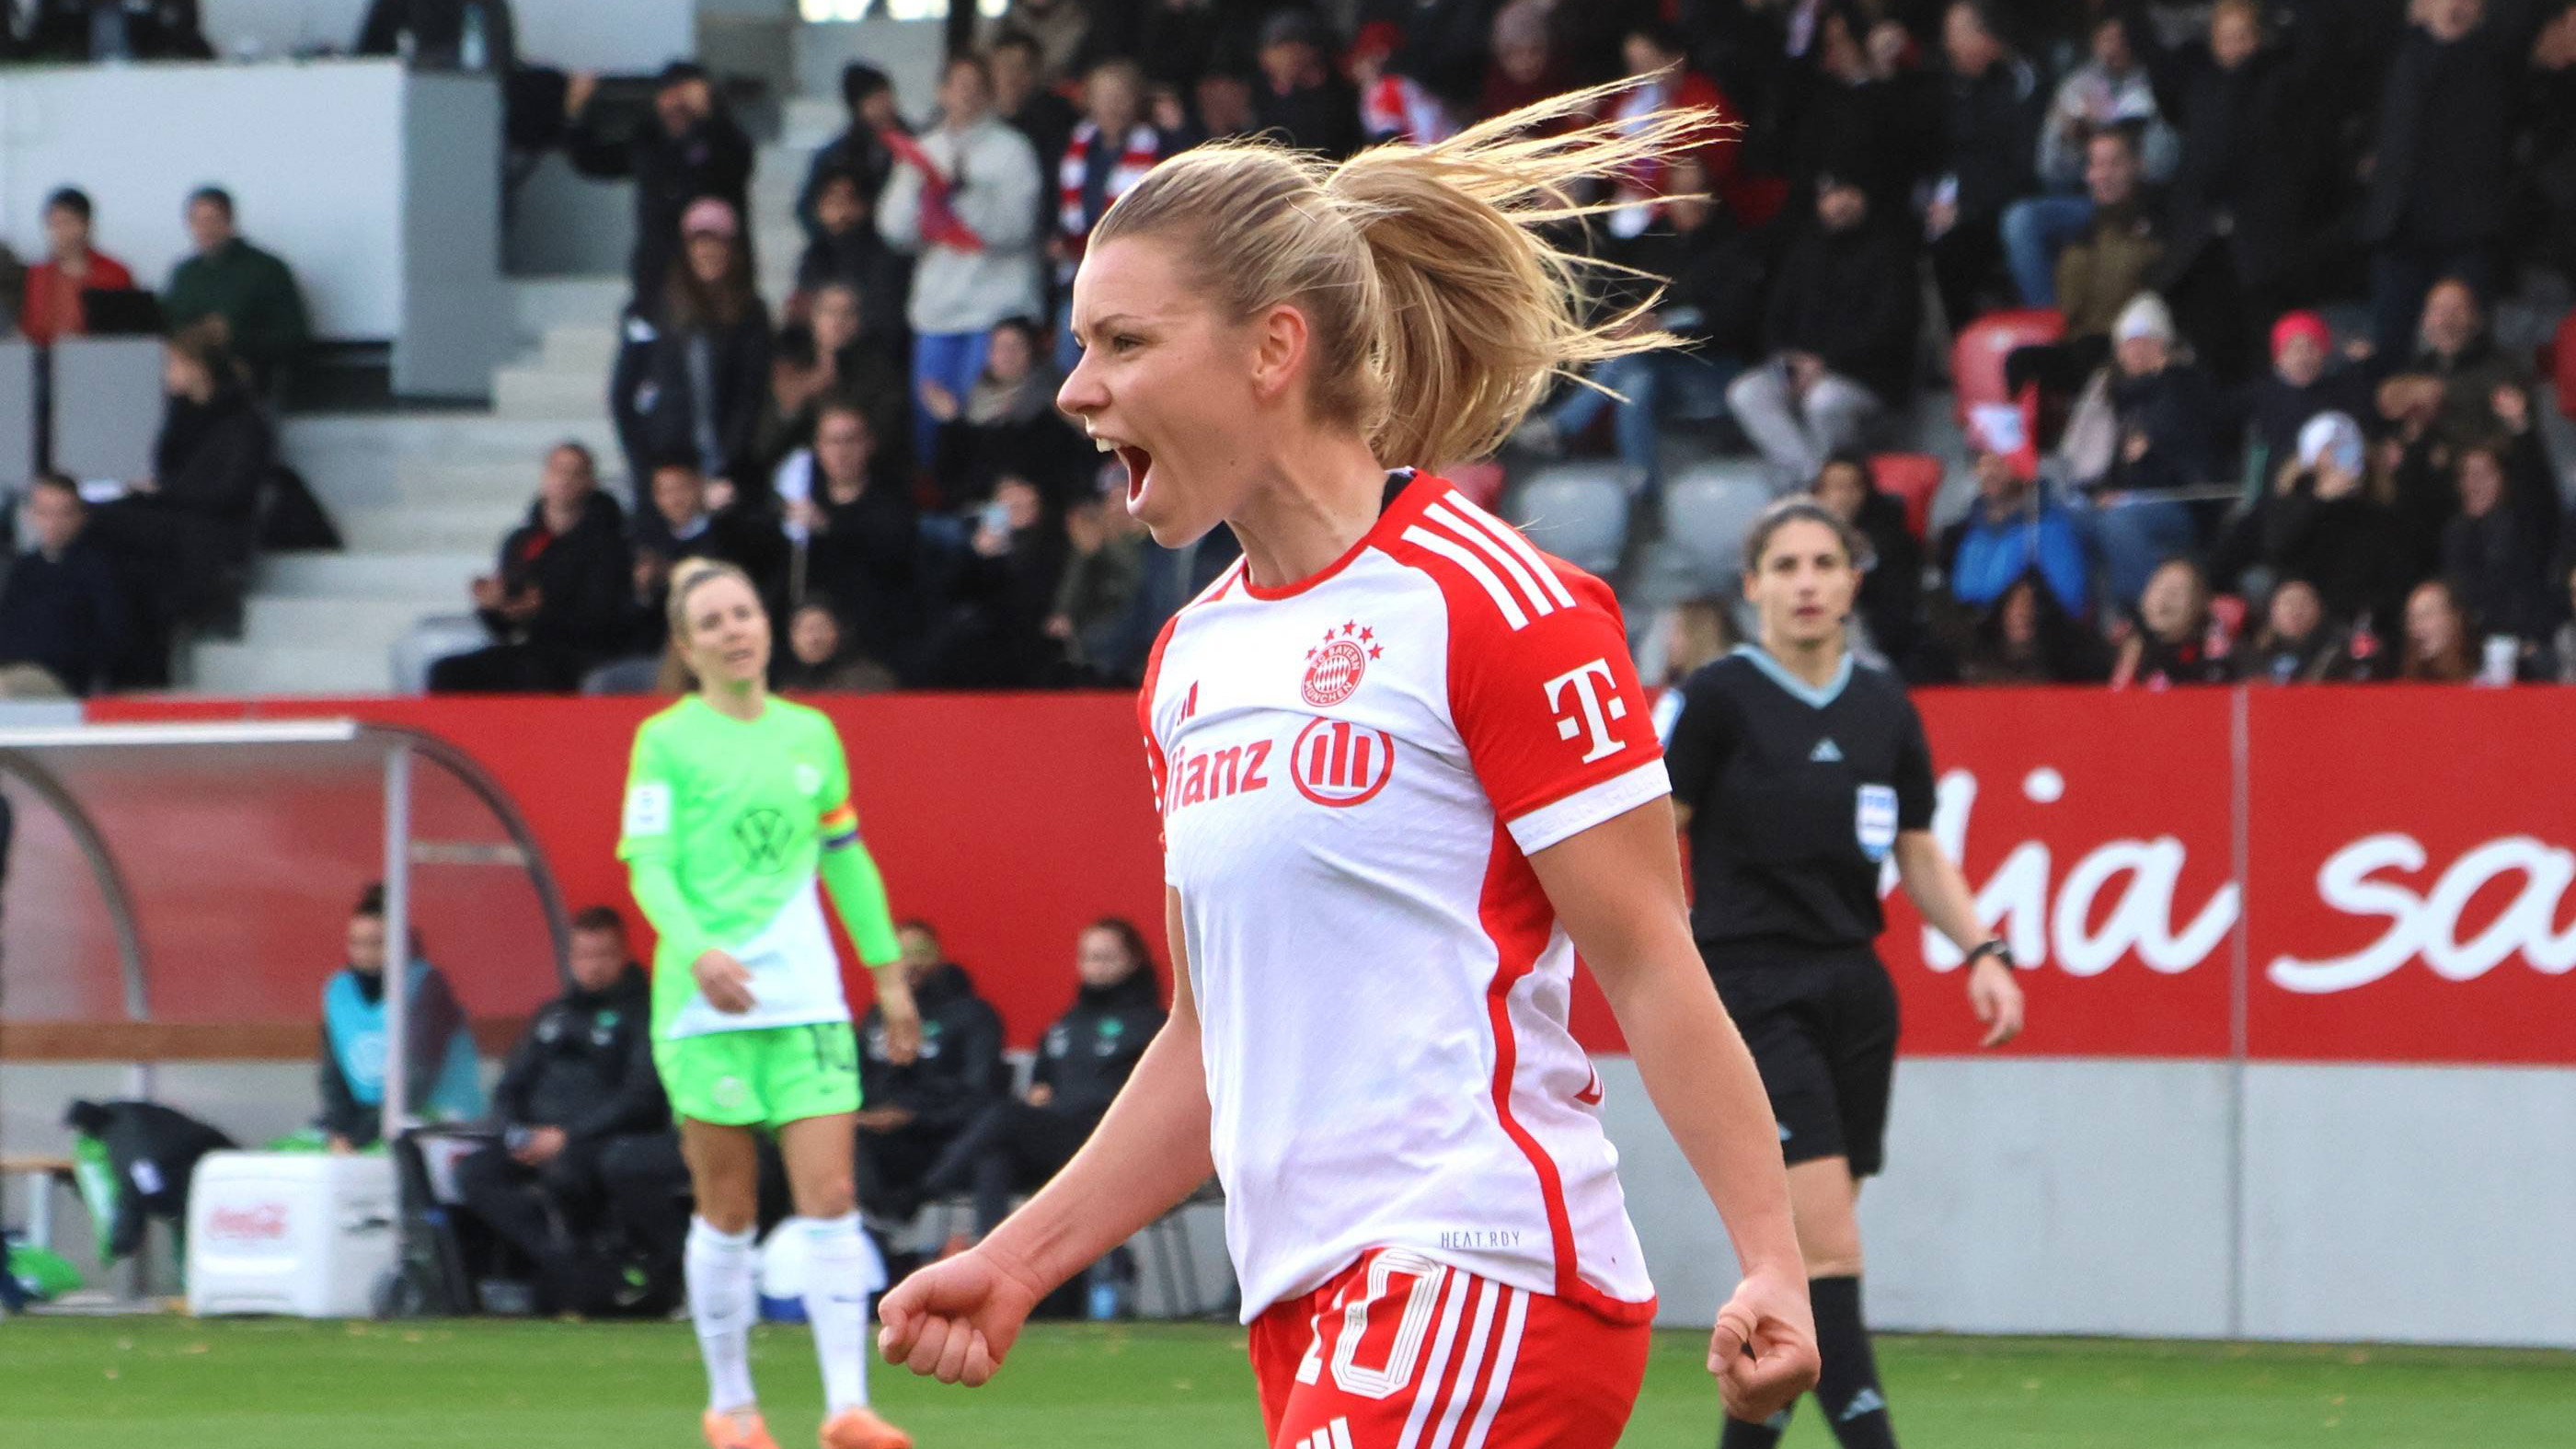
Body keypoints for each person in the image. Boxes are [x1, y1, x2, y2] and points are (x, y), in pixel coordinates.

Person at [878, 84, 1823, 1445]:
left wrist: (1770, 1253)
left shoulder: (1495, 606)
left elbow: (1651, 959)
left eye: (1124, 342)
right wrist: (1022, 1258)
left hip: (1483, 1269)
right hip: (1309, 1304)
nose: (1077, 389)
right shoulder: (1188, 660)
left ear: (1274, 346)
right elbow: (1212, 1044)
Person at [1664, 498, 2026, 1449]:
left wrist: (1982, 952)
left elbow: (1916, 849)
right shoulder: (1719, 698)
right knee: (1827, 1254)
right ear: (1752, 588)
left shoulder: (1880, 704)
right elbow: (1658, 835)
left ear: (1852, 580)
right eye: (1784, 566)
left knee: (1802, 1272)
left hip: (1855, 996)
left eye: (1824, 562)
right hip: (1751, 994)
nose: (1807, 581)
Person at [617, 557, 922, 1449]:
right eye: (711, 622)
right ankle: (733, 1406)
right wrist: (697, 950)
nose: (734, 630)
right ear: (686, 646)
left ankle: (845, 1408)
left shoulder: (812, 734)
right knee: (730, 1210)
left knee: (831, 1193)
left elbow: (847, 857)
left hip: (809, 1004)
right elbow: (649, 866)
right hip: (703, 1010)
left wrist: (888, 973)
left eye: (744, 612)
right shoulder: (665, 742)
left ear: (767, 623)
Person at [1511, 155, 1765, 495]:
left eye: (1694, 193)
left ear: (1711, 196)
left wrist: (1662, 333)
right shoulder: (1654, 240)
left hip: (1715, 370)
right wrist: (1635, 325)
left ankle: (1562, 427)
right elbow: (1626, 299)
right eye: (1678, 193)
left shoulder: (1734, 246)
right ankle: (1642, 484)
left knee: (1644, 350)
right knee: (1636, 380)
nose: (1686, 203)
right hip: (1656, 368)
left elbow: (1732, 327)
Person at [451, 907, 663, 1310]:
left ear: (623, 955)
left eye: (604, 955)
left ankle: (594, 1272)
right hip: (534, 1138)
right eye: (585, 956)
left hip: (601, 1142)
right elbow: (510, 1085)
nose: (594, 966)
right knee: (475, 1173)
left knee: (571, 1173)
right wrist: (514, 1130)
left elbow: (641, 1098)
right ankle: (560, 1261)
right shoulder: (552, 1016)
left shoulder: (643, 1015)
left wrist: (568, 1136)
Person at [919, 918, 1166, 1241]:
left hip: (1109, 1141)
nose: (1095, 967)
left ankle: (925, 1188)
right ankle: (995, 1259)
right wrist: (1039, 1094)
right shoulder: (1065, 1023)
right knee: (994, 1157)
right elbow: (1042, 1080)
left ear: (1134, 961)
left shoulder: (1154, 1024)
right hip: (1060, 1138)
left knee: (1004, 1116)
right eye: (1088, 958)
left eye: (1106, 958)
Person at [880, 54, 1047, 468]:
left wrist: (963, 194)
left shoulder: (1014, 150)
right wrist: (925, 191)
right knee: (930, 424)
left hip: (995, 309)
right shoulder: (923, 150)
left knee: (986, 421)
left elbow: (1016, 227)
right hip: (937, 311)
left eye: (977, 86)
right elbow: (894, 230)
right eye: (958, 84)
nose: (966, 94)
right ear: (942, 91)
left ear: (990, 94)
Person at [1727, 173, 1916, 488]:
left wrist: (1827, 363)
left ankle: (1834, 485)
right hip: (1803, 370)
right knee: (1745, 392)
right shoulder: (1805, 251)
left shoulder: (1889, 251)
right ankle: (1813, 479)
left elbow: (1889, 329)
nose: (1839, 203)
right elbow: (1775, 318)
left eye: (1849, 192)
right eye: (1830, 195)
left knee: (1823, 400)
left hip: (1865, 375)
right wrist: (1789, 360)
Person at [2361, 0, 2514, 362]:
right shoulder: (2398, 50)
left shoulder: (2495, 55)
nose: (2452, 5)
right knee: (2391, 347)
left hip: (2467, 228)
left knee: (2467, 350)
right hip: (2400, 224)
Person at [429, 443, 635, 694]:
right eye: (558, 471)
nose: (565, 480)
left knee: (538, 674)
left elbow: (605, 618)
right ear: (545, 477)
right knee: (447, 672)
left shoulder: (611, 544)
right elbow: (503, 628)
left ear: (589, 482)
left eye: (575, 473)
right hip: (533, 648)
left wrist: (542, 609)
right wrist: (494, 606)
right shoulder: (521, 541)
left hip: (584, 653)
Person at [2005, 11, 2178, 307]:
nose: (2113, 48)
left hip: (2145, 202)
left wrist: (2121, 144)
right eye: (2105, 39)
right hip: (2089, 201)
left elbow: (2164, 166)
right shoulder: (2077, 85)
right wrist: (2071, 139)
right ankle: (2051, 318)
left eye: (2120, 38)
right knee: (2021, 218)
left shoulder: (2157, 82)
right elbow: (2048, 171)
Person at [2061, 293, 2221, 610]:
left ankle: (2145, 613)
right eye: (2126, 343)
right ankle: (2074, 614)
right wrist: (2103, 491)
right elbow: (2096, 461)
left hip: (2180, 502)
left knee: (2118, 521)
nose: (2133, 351)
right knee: (2068, 516)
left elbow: (2184, 449)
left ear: (2163, 344)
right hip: (2124, 500)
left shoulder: (2185, 384)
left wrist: (2167, 382)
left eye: (2143, 341)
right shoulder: (2112, 393)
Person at [611, 199, 773, 499]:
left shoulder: (750, 314)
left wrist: (729, 462)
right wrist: (643, 462)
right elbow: (623, 392)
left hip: (727, 465)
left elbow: (751, 393)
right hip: (667, 460)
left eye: (718, 244)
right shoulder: (652, 311)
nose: (708, 253)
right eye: (700, 243)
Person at [853, 922, 1006, 1226]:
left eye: (919, 953)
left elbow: (981, 1098)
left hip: (943, 1143)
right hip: (880, 1139)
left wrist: (913, 1115)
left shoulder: (973, 1015)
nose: (908, 962)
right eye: (899, 954)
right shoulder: (875, 1018)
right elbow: (858, 1083)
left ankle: (890, 1221)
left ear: (938, 958)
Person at [569, 61, 755, 305]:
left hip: (715, 283)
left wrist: (711, 116)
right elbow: (593, 161)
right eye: (669, 95)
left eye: (685, 96)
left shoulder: (720, 142)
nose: (676, 104)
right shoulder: (648, 144)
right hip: (656, 280)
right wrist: (575, 113)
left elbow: (737, 162)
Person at [317, 883, 485, 1152]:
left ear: (399, 941)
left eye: (377, 944)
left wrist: (360, 1136)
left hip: (434, 1117)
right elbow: (332, 1074)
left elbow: (418, 1080)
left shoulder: (426, 987)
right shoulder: (339, 993)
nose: (365, 955)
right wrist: (340, 1130)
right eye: (356, 943)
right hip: (363, 1122)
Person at [1050, 59, 1174, 374]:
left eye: (1121, 96)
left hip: (1134, 277)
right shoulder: (1077, 144)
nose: (1112, 106)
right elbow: (1060, 206)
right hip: (1078, 271)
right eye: (1104, 96)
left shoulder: (1158, 146)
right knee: (1069, 356)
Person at [1923, 0, 2041, 327]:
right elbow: (1945, 154)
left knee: (1953, 249)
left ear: (1985, 37)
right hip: (1950, 205)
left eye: (1955, 35)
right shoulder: (1954, 85)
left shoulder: (2021, 82)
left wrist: (1967, 207)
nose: (1948, 45)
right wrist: (1938, 199)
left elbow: (2022, 172)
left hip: (1995, 210)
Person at [779, 399, 921, 671]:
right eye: (832, 441)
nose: (842, 451)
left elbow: (890, 554)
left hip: (875, 647)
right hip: (808, 649)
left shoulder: (892, 501)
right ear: (818, 448)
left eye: (850, 440)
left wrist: (828, 530)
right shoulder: (804, 501)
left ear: (869, 444)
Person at [925, 316, 1087, 509]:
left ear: (1031, 352)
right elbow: (950, 481)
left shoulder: (1050, 406)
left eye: (1016, 347)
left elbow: (1069, 476)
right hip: (976, 514)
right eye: (1000, 347)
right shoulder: (971, 404)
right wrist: (950, 423)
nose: (1007, 355)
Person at [754, 281, 905, 483]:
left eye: (847, 313)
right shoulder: (791, 364)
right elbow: (764, 446)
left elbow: (886, 437)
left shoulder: (879, 369)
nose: (837, 321)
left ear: (858, 322)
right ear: (814, 318)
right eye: (829, 312)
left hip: (861, 482)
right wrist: (793, 405)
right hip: (797, 481)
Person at [161, 188, 310, 388]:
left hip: (247, 378)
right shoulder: (185, 273)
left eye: (213, 220)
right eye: (197, 221)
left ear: (230, 221)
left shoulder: (267, 269)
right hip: (185, 376)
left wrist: (234, 337)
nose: (205, 229)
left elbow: (293, 336)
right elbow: (166, 325)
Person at [0, 474, 128, 697]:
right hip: (13, 671)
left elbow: (111, 636)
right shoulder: (22, 570)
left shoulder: (97, 570)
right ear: (31, 515)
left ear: (80, 517)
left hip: (60, 681)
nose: (53, 522)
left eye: (63, 513)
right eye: (44, 512)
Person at [1938, 447, 2088, 619]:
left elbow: (2069, 604)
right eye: (1982, 462)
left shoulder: (2050, 528)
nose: (1989, 471)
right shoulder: (1970, 531)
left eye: (2000, 461)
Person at [791, 172, 913, 366]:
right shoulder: (815, 255)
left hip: (876, 364)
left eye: (849, 199)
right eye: (831, 199)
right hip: (820, 360)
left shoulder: (887, 258)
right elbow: (800, 317)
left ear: (867, 206)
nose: (840, 209)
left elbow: (887, 324)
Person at [1810, 451, 1920, 664]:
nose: (1844, 496)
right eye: (1836, 487)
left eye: (1853, 487)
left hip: (1874, 644)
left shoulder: (1893, 542)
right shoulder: (1796, 541)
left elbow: (1898, 608)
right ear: (1818, 494)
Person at [799, 63, 906, 245]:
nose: (883, 104)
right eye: (872, 98)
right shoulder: (836, 156)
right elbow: (807, 210)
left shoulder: (915, 143)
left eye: (885, 95)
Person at [19, 187, 135, 348]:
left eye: (67, 222)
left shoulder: (115, 273)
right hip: (45, 359)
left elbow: (126, 331)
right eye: (53, 224)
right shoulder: (38, 275)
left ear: (86, 224)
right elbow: (31, 327)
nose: (59, 232)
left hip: (98, 357)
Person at [1250, 8, 1364, 159]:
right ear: (1263, 56)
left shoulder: (1338, 95)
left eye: (1298, 44)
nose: (1290, 54)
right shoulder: (1253, 98)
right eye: (1281, 46)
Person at [2111, 557, 2233, 688]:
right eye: (2160, 587)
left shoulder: (2214, 656)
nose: (2166, 600)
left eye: (2178, 592)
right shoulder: (2119, 648)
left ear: (2200, 603)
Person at [776, 598, 898, 695]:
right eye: (805, 629)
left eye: (821, 627)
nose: (814, 639)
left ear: (840, 631)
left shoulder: (870, 680)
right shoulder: (784, 687)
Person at [2241, 579, 2348, 685]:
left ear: (2319, 610)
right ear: (2272, 610)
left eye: (2303, 604)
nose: (2296, 611)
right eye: (2288, 603)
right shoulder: (2250, 652)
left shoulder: (2335, 652)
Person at [355, 0, 514, 72]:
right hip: (421, 100)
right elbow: (369, 59)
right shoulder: (405, 4)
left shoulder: (492, 7)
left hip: (482, 108)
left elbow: (505, 63)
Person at [2399, 576, 2476, 682]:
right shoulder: (2403, 690)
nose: (2417, 628)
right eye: (2412, 619)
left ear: (2454, 618)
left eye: (2427, 615)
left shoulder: (2485, 685)